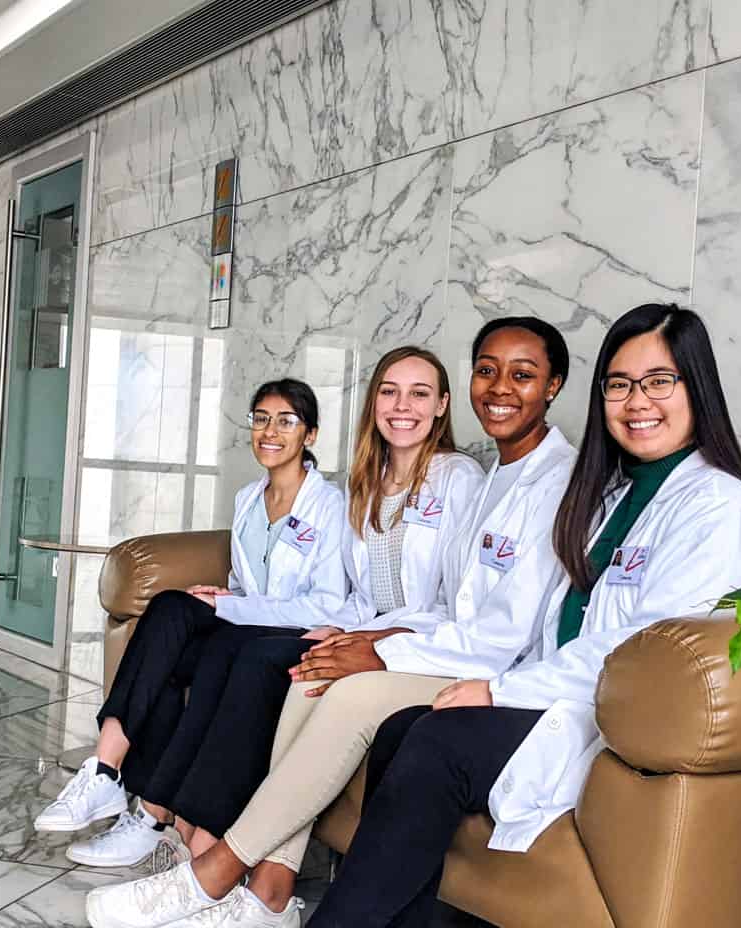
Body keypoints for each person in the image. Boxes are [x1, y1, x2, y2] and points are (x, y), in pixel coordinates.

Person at [84, 319, 578, 928]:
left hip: (469, 659)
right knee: (278, 665)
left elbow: (472, 620)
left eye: (420, 393)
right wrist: (351, 633)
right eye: (488, 370)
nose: (500, 387)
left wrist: (375, 645)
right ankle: (260, 878)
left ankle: (216, 866)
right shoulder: (409, 483)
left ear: (552, 384)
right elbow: (362, 596)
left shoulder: (474, 479)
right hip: (418, 639)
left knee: (298, 672)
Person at [308, 303, 741, 926]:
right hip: (561, 692)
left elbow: (641, 654)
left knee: (436, 745)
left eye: (659, 381)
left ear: (697, 387)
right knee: (403, 728)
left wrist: (498, 689)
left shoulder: (718, 507)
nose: (638, 401)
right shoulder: (612, 494)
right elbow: (555, 623)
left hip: (617, 717)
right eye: (619, 384)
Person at [61, 349, 485, 883]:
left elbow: (454, 603)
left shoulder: (458, 480)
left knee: (255, 656)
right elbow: (358, 591)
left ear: (442, 405)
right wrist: (344, 624)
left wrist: (365, 631)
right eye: (389, 391)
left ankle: (193, 836)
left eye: (419, 393)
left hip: (411, 642)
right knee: (194, 634)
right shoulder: (367, 481)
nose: (403, 406)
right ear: (373, 401)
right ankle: (141, 802)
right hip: (354, 627)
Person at [33, 379, 347, 871]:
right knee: (170, 612)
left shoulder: (331, 506)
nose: (269, 431)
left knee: (194, 646)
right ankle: (104, 772)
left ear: (310, 435)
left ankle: (149, 816)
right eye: (260, 418)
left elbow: (324, 604)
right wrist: (230, 598)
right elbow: (250, 584)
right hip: (248, 622)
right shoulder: (248, 498)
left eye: (286, 421)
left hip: (286, 637)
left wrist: (236, 609)